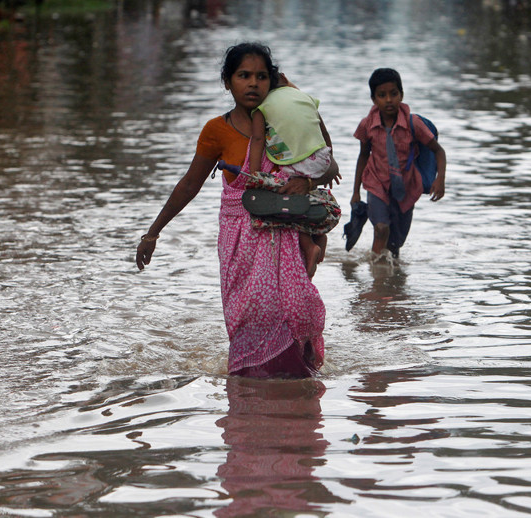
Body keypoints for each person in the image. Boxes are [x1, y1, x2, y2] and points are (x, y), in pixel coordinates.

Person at [135, 42, 340, 379]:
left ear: (272, 82)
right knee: (250, 309)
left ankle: (294, 391)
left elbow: (326, 161)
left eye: (262, 76)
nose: (253, 83)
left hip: (283, 232)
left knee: (292, 306)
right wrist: (153, 232)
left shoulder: (284, 119)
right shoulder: (217, 131)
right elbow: (190, 184)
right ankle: (251, 390)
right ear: (227, 82)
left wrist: (305, 179)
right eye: (243, 75)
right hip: (239, 240)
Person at [350, 68, 447, 259]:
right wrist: (356, 192)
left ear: (401, 95)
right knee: (381, 228)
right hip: (376, 184)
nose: (388, 100)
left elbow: (439, 151)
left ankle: (392, 283)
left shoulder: (414, 124)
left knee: (395, 244)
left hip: (406, 187)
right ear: (374, 99)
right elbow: (363, 156)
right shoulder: (367, 125)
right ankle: (377, 278)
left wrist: (440, 179)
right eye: (382, 95)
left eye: (393, 94)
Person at [247, 84, 335, 278]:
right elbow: (325, 134)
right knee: (303, 192)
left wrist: (255, 176)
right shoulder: (303, 97)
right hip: (322, 155)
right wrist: (330, 160)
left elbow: (258, 139)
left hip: (302, 161)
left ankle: (310, 244)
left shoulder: (261, 109)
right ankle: (319, 233)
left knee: (288, 199)